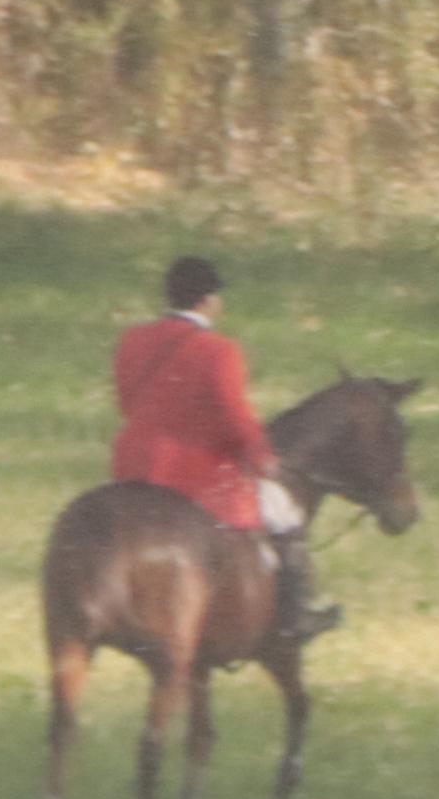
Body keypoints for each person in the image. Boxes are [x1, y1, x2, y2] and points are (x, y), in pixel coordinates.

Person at [110, 255, 337, 643]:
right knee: (284, 513)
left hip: (134, 466)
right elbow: (235, 415)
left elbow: (127, 402)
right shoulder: (219, 351)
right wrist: (262, 459)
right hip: (195, 474)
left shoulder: (133, 340)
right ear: (210, 301)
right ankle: (293, 616)